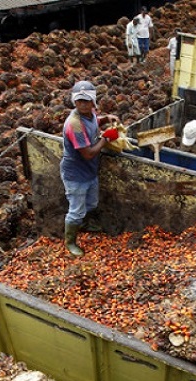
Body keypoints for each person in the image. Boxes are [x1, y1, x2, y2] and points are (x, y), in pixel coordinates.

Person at [60, 80, 120, 257]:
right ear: (74, 101)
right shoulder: (74, 125)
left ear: (93, 101)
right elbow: (88, 153)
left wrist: (106, 119)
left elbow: (94, 122)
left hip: (89, 171)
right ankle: (70, 242)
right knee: (76, 210)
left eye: (87, 100)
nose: (83, 104)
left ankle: (84, 224)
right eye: (79, 101)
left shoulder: (90, 113)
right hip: (76, 174)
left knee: (91, 203)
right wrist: (106, 139)